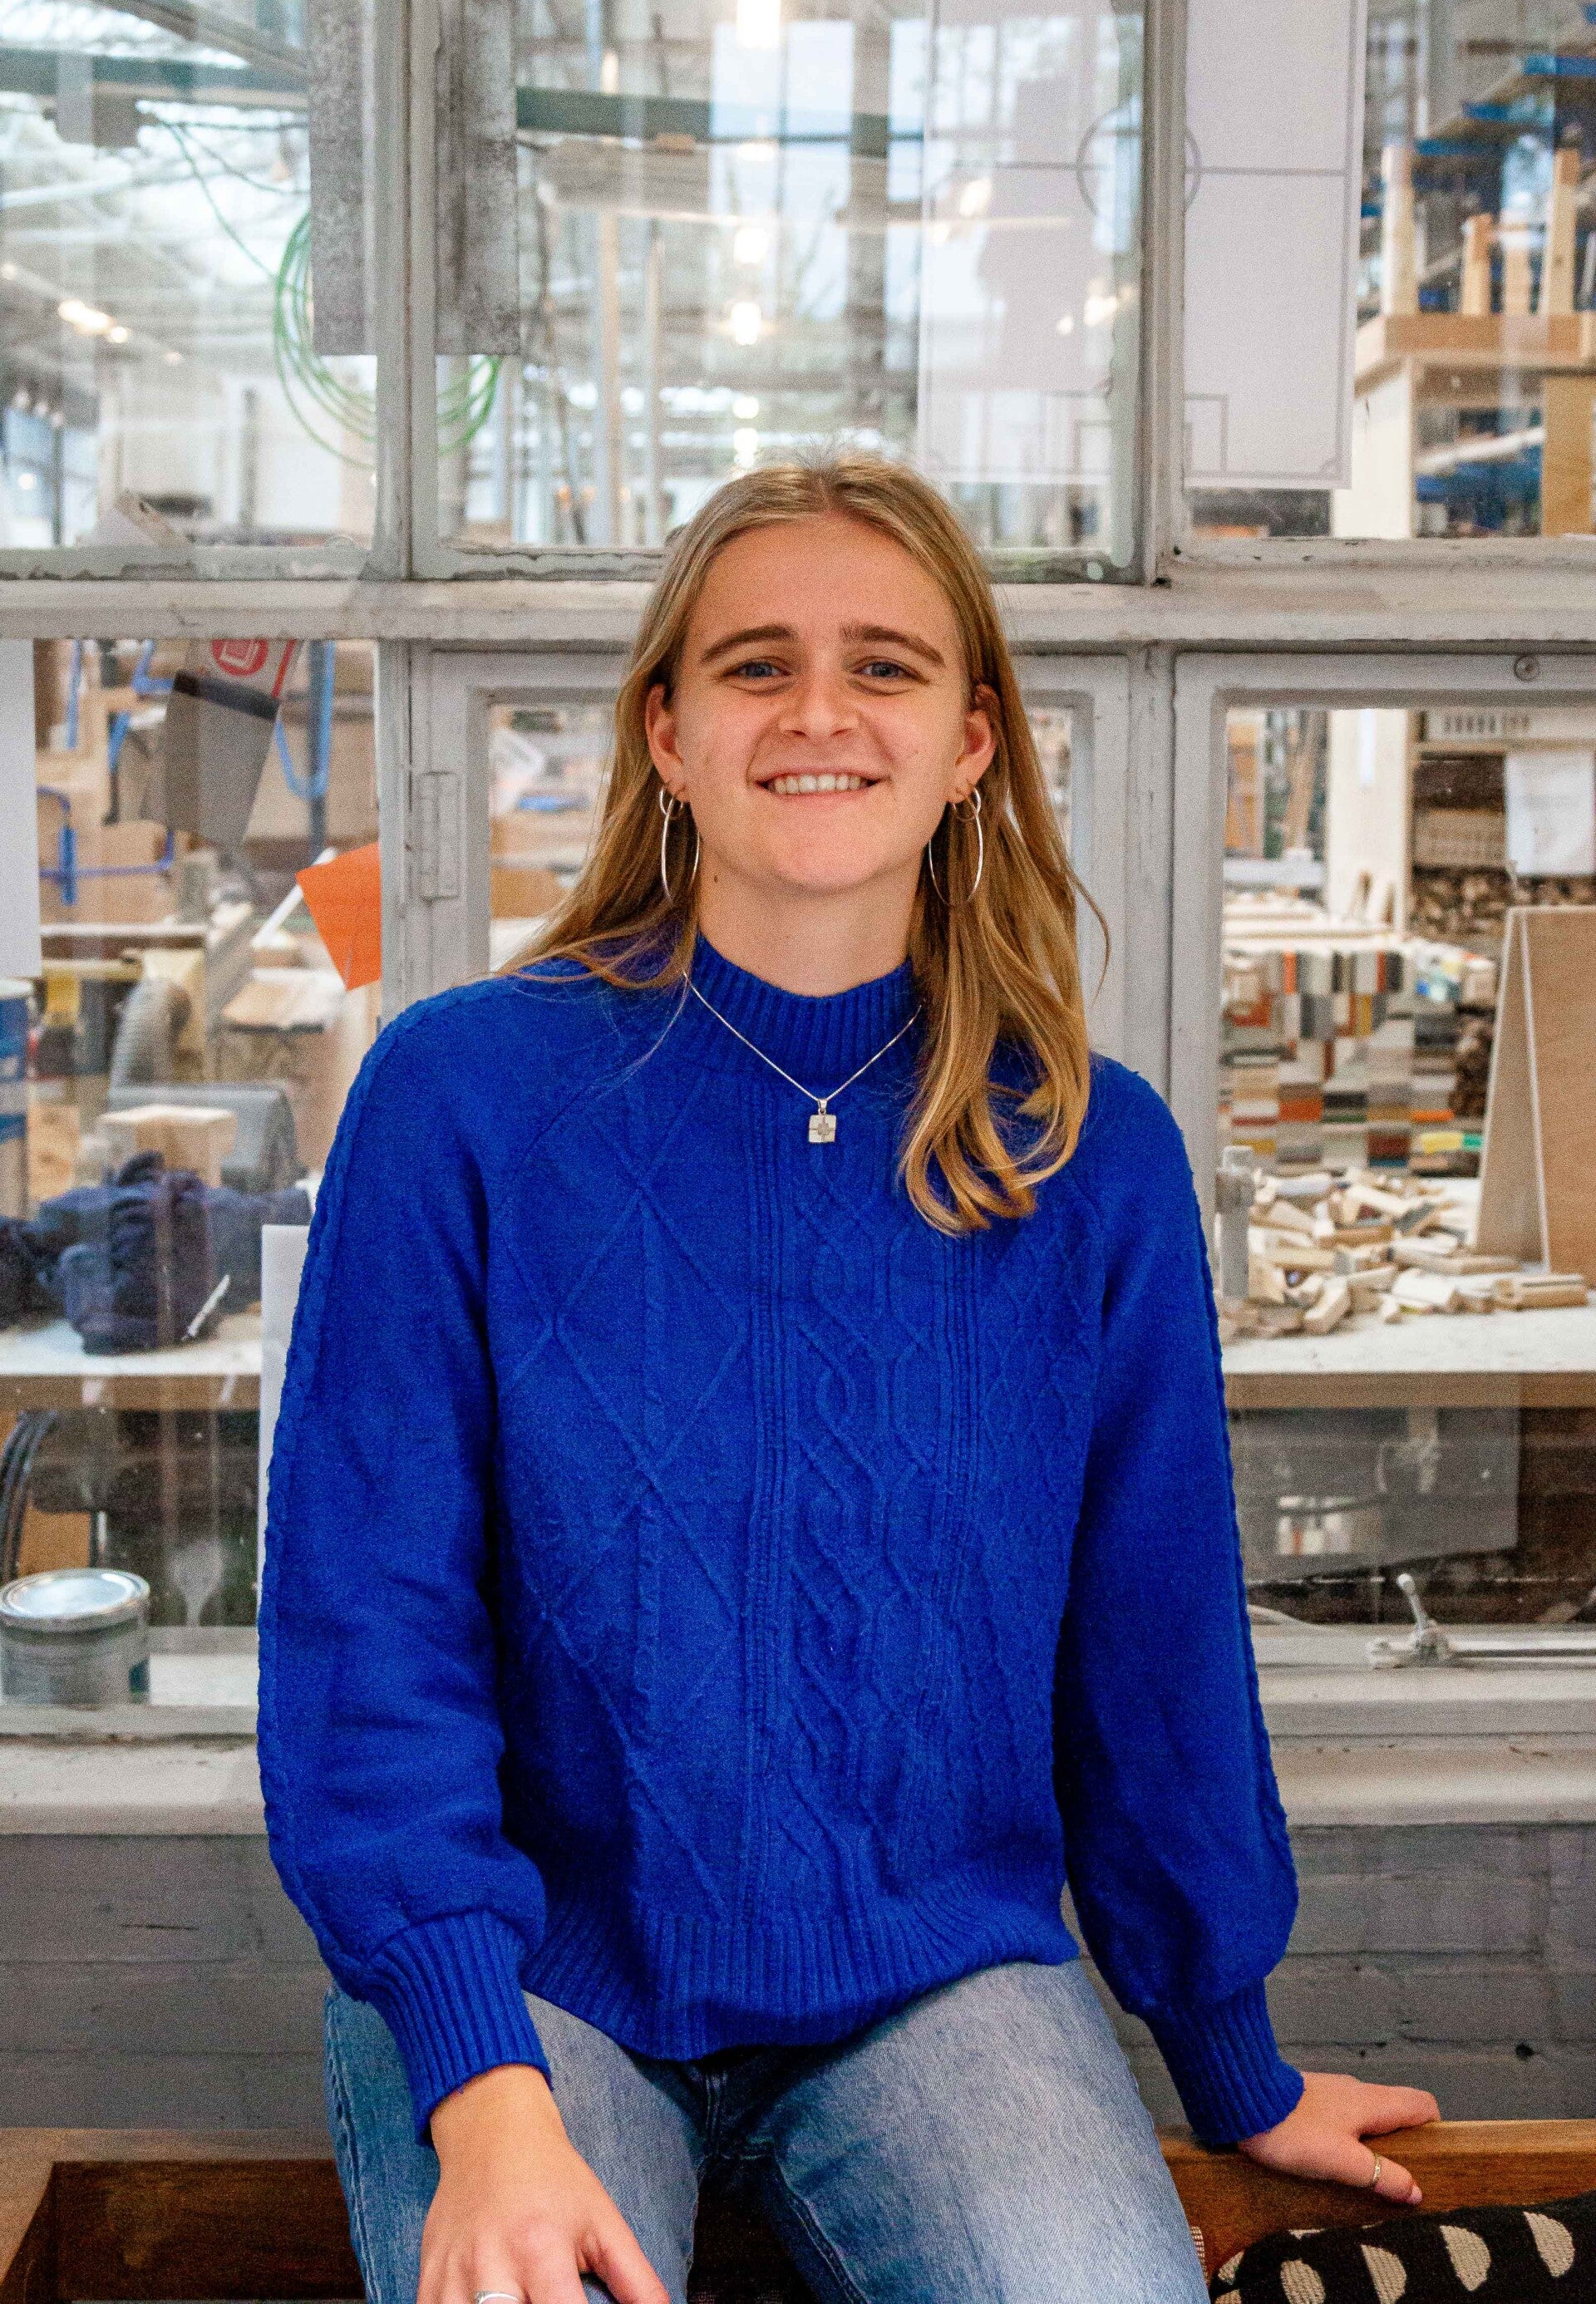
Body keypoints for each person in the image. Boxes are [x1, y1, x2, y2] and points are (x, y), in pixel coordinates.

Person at [259, 459, 1438, 2304]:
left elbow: (1154, 1642)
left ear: (973, 741)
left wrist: (1230, 2052)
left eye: (885, 666)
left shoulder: (1092, 1156)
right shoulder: (461, 1097)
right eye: (758, 665)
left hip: (934, 1975)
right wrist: (478, 2084)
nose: (820, 710)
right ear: (668, 731)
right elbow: (367, 1623)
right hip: (532, 1982)